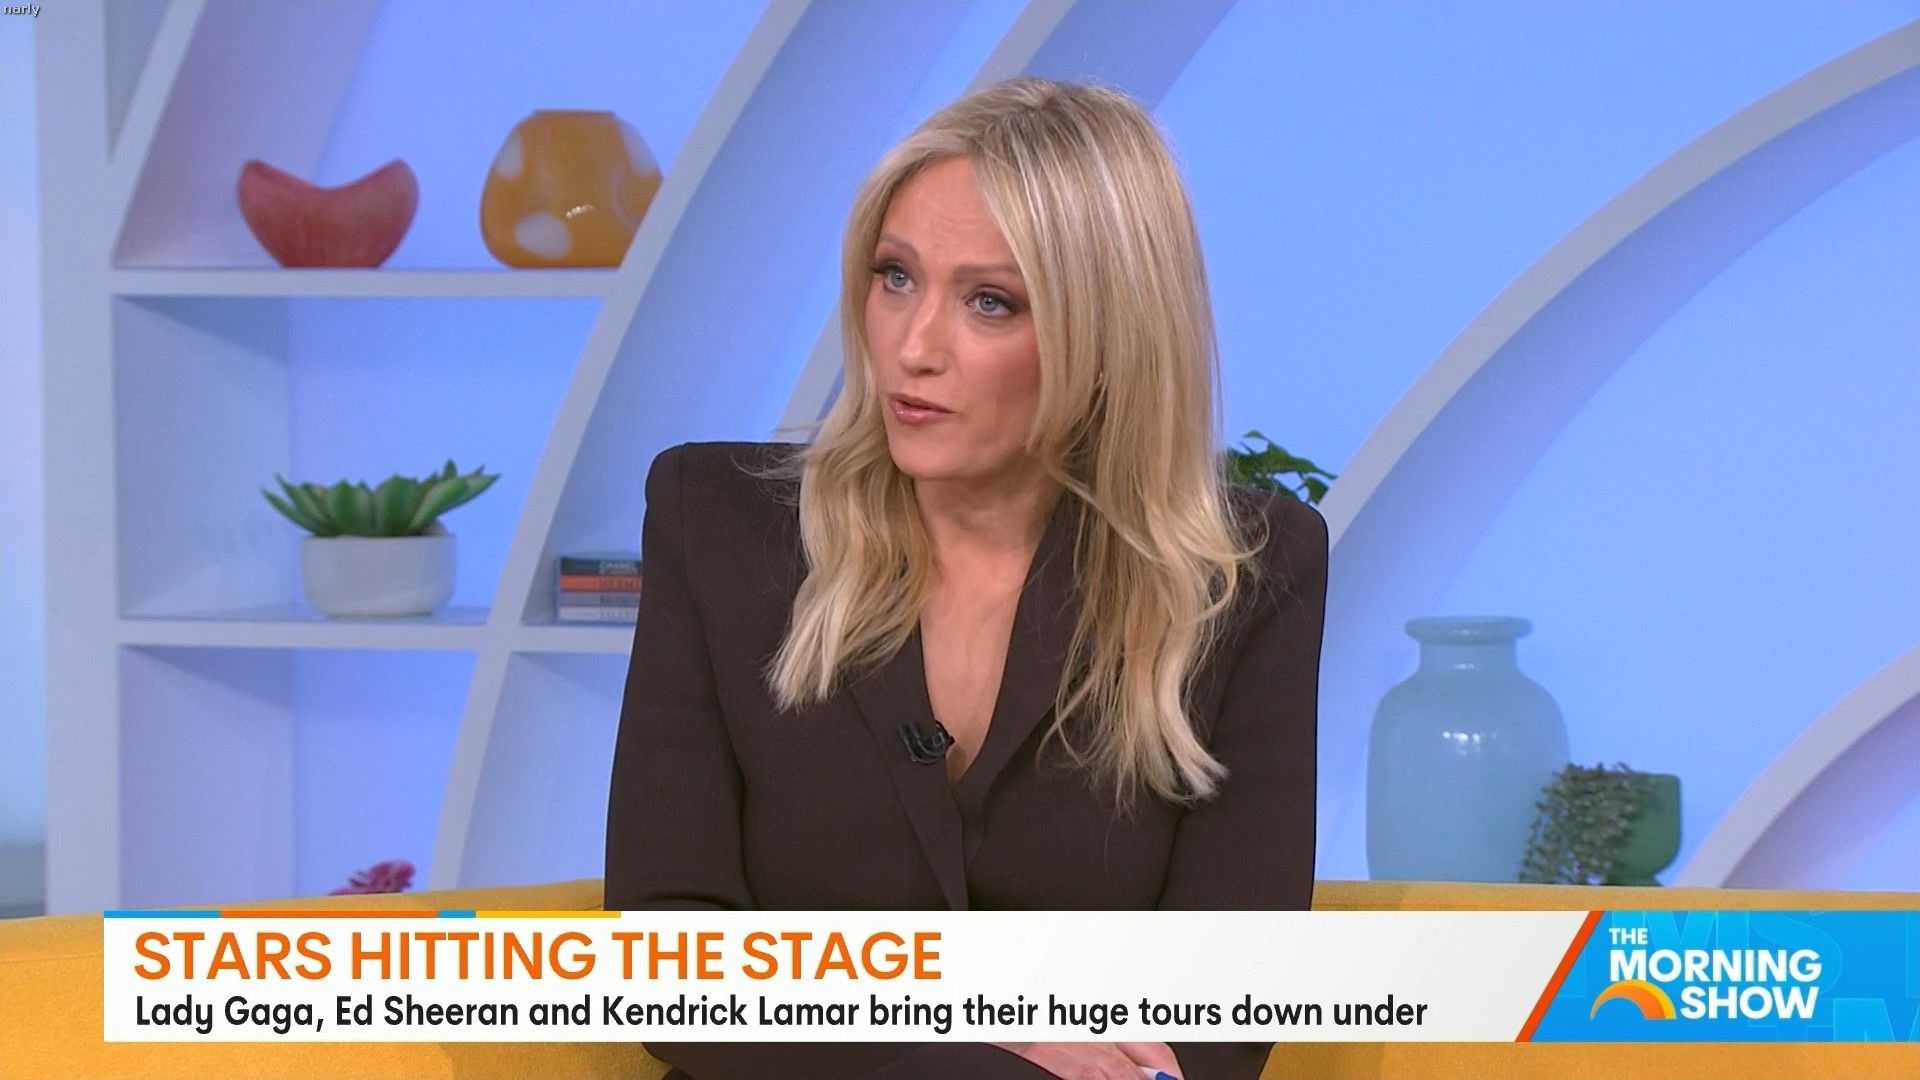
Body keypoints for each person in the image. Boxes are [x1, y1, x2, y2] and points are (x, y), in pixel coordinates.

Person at [605, 75, 1329, 1080]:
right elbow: (669, 959)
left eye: (990, 302)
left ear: (1107, 339)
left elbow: (1226, 987)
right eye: (895, 277)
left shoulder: (1241, 576)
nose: (912, 348)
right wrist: (973, 1029)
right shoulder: (721, 522)